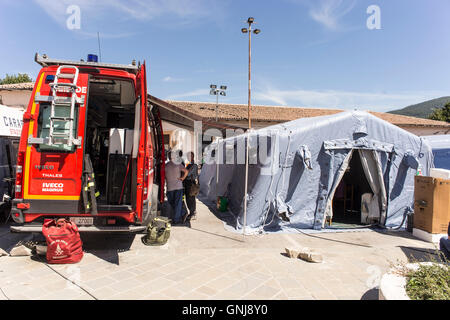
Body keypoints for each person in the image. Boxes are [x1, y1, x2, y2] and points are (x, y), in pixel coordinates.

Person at [165, 150, 188, 224]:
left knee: (176, 204)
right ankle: (183, 212)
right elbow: (186, 171)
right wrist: (183, 178)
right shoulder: (167, 165)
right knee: (174, 203)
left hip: (176, 187)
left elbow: (186, 171)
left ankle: (176, 220)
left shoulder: (176, 164)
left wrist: (182, 178)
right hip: (172, 187)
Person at [183, 152, 199, 222]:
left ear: (193, 157)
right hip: (187, 184)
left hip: (191, 184)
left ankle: (193, 213)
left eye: (190, 156)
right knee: (188, 199)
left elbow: (188, 174)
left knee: (191, 199)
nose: (189, 158)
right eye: (188, 156)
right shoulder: (189, 165)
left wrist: (185, 172)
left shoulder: (194, 165)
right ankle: (191, 212)